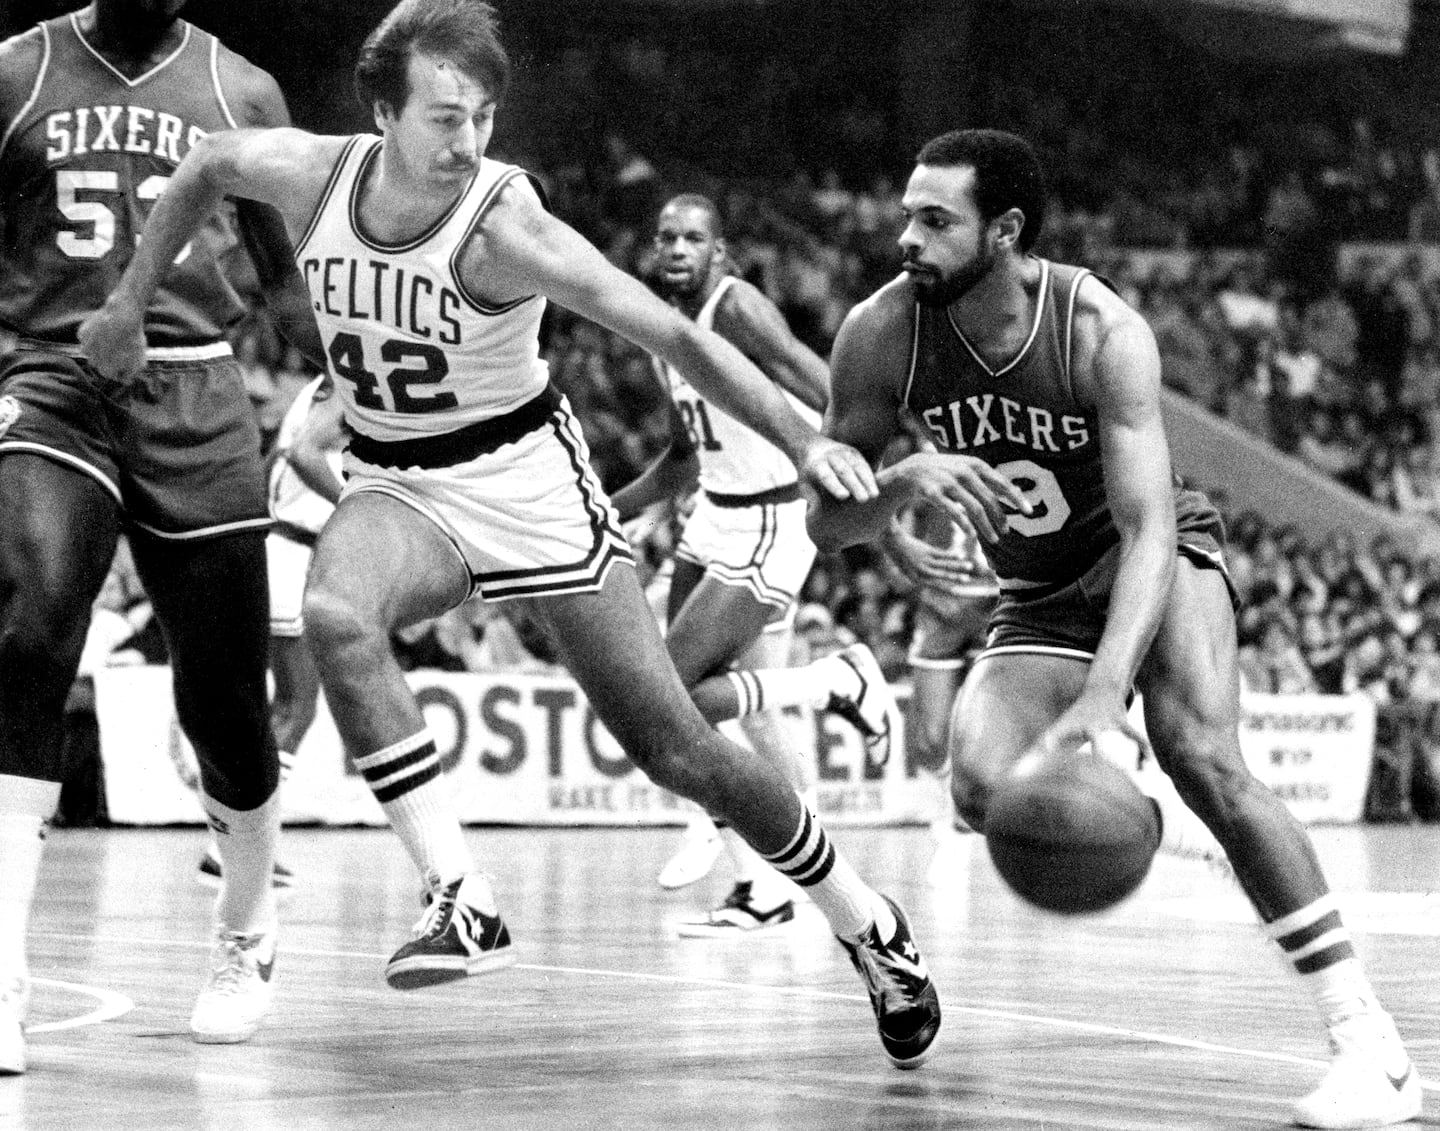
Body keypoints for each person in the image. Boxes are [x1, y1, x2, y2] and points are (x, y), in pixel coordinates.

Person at [79, 0, 941, 1069]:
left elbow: (672, 329)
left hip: (527, 480)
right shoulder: (314, 177)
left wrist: (801, 438)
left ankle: (868, 923)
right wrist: (126, 304)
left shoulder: (504, 225)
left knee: (676, 748)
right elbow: (206, 164)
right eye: (444, 117)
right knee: (338, 613)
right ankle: (460, 893)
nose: (468, 141)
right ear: (383, 111)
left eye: (483, 116)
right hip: (401, 479)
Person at [805, 128, 1420, 1128]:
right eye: (905, 215)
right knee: (974, 787)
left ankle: (1371, 1049)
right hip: (1039, 592)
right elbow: (828, 525)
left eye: (933, 220)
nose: (904, 239)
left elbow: (1148, 526)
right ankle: (1160, 825)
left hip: (1152, 555)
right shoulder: (880, 335)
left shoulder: (1098, 327)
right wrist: (902, 481)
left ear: (1005, 231)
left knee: (1201, 754)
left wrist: (1102, 695)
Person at [0, 0, 325, 1068]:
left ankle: (245, 936)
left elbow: (287, 282)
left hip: (197, 388)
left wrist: (362, 401)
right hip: (54, 376)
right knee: (31, 632)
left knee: (227, 698)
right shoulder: (17, 72)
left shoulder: (246, 90)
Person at [612, 193, 898, 928]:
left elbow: (818, 378)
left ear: (720, 252)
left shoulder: (735, 307)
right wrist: (610, 507)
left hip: (775, 512)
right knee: (758, 719)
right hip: (712, 513)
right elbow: (684, 455)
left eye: (693, 238)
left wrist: (861, 478)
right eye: (666, 236)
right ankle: (767, 887)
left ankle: (836, 677)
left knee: (668, 694)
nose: (677, 248)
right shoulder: (661, 330)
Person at [196, 371, 346, 889]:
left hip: (278, 547)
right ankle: (230, 850)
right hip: (294, 553)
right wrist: (355, 504)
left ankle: (238, 845)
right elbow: (302, 456)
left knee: (279, 709)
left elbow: (276, 460)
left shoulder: (311, 390)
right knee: (295, 707)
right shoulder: (343, 389)